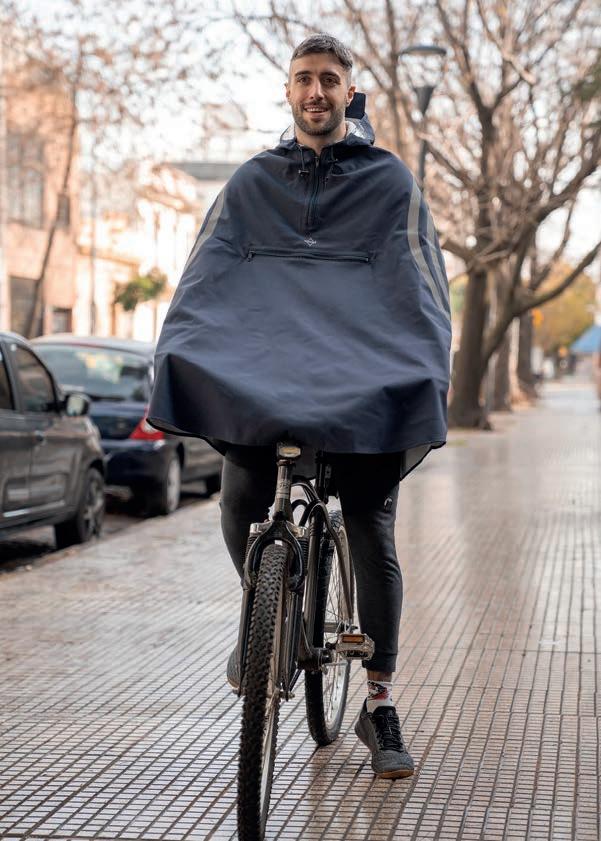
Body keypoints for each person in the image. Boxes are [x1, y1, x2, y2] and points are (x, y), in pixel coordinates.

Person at [148, 34, 451, 779]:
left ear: (349, 92)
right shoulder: (252, 181)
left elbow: (419, 286)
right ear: (288, 92)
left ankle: (379, 701)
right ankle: (265, 616)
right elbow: (207, 274)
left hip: (361, 381)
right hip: (268, 376)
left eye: (329, 80)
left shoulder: (390, 181)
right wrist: (181, 346)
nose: (316, 91)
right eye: (304, 79)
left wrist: (419, 365)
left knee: (370, 525)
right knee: (239, 497)